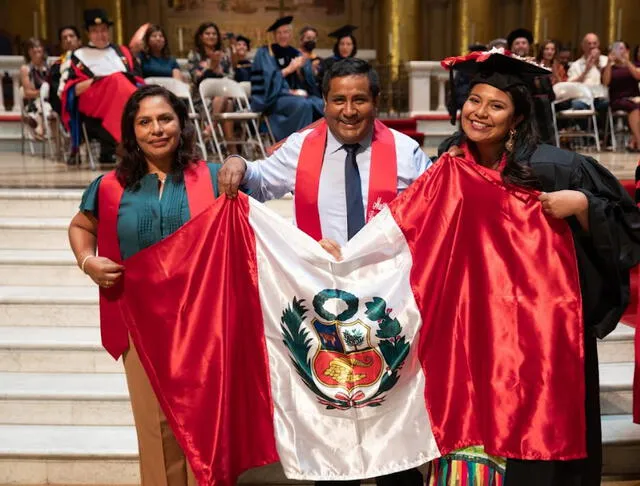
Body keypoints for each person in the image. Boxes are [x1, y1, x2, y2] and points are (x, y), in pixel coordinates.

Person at [431, 50, 640, 486]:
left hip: (540, 343)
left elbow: (629, 229)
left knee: (537, 446)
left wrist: (583, 206)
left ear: (518, 118)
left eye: (496, 105)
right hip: (471, 334)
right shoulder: (450, 166)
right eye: (474, 100)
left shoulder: (556, 167)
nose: (480, 113)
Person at [218, 57, 429, 485]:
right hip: (322, 308)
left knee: (394, 429)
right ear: (324, 102)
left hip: (388, 308)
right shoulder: (302, 146)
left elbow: (432, 218)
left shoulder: (406, 152)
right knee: (330, 429)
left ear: (376, 101)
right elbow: (257, 180)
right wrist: (238, 162)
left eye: (359, 100)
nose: (348, 111)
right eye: (338, 100)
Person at [68, 85, 220, 486]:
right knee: (155, 427)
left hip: (205, 322)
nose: (157, 129)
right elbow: (82, 226)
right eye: (145, 122)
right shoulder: (110, 187)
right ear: (131, 131)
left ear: (182, 125)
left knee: (205, 424)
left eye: (165, 119)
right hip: (139, 324)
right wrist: (88, 261)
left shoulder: (215, 177)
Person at [62, 8, 142, 165]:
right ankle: (127, 143)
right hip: (94, 100)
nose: (101, 35)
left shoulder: (122, 52)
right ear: (88, 33)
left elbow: (138, 78)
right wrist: (101, 80)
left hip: (124, 96)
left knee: (126, 86)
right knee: (117, 81)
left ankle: (127, 142)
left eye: (104, 30)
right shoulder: (79, 55)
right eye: (95, 31)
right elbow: (73, 89)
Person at [249, 16, 321, 141]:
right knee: (303, 104)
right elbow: (266, 82)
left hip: (295, 96)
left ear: (291, 34)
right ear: (274, 35)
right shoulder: (265, 53)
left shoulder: (296, 53)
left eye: (286, 32)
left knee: (321, 104)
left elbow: (307, 83)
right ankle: (295, 144)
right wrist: (289, 70)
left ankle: (317, 144)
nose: (283, 35)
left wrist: (303, 70)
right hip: (274, 98)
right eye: (279, 33)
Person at [186, 22, 236, 152]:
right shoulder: (195, 55)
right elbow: (195, 79)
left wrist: (221, 73)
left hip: (222, 97)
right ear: (201, 36)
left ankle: (209, 129)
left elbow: (231, 77)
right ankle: (232, 148)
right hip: (201, 99)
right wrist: (211, 67)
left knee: (226, 99)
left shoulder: (224, 55)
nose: (211, 36)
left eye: (214, 34)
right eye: (207, 33)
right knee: (225, 101)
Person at [506, 28, 556, 143]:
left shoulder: (536, 65)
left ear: (528, 46)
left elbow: (550, 94)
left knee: (542, 100)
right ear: (512, 47)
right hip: (515, 103)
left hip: (538, 107)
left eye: (524, 43)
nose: (521, 46)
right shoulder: (507, 63)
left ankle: (546, 144)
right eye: (517, 43)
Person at [602, 41, 640, 151]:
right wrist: (609, 62)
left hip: (634, 98)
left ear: (627, 51)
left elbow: (638, 76)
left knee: (636, 106)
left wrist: (627, 61)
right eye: (616, 48)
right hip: (618, 99)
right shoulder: (609, 68)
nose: (619, 51)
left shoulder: (632, 65)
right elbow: (605, 82)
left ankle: (634, 141)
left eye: (622, 48)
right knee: (634, 107)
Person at [567, 33, 609, 115]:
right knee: (576, 105)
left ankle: (602, 127)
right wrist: (586, 70)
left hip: (602, 97)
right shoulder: (576, 65)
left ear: (598, 45)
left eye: (594, 43)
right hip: (583, 99)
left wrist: (598, 65)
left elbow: (608, 81)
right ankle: (585, 127)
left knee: (608, 104)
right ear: (583, 46)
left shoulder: (606, 61)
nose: (592, 46)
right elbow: (570, 85)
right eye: (589, 43)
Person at [19, 37, 50, 141]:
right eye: (32, 47)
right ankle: (39, 128)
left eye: (38, 46)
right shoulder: (26, 69)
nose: (36, 50)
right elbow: (27, 93)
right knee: (43, 106)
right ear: (28, 52)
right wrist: (43, 93)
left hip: (50, 100)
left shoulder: (49, 66)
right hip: (33, 102)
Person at [49, 25, 82, 117]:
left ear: (79, 41)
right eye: (64, 38)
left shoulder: (88, 61)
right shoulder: (57, 65)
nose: (68, 40)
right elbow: (55, 90)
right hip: (66, 106)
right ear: (61, 44)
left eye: (71, 36)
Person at [297, 26, 324, 101]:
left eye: (313, 39)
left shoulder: (319, 60)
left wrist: (315, 73)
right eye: (308, 38)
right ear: (301, 40)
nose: (311, 41)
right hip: (299, 97)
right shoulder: (294, 57)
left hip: (315, 97)